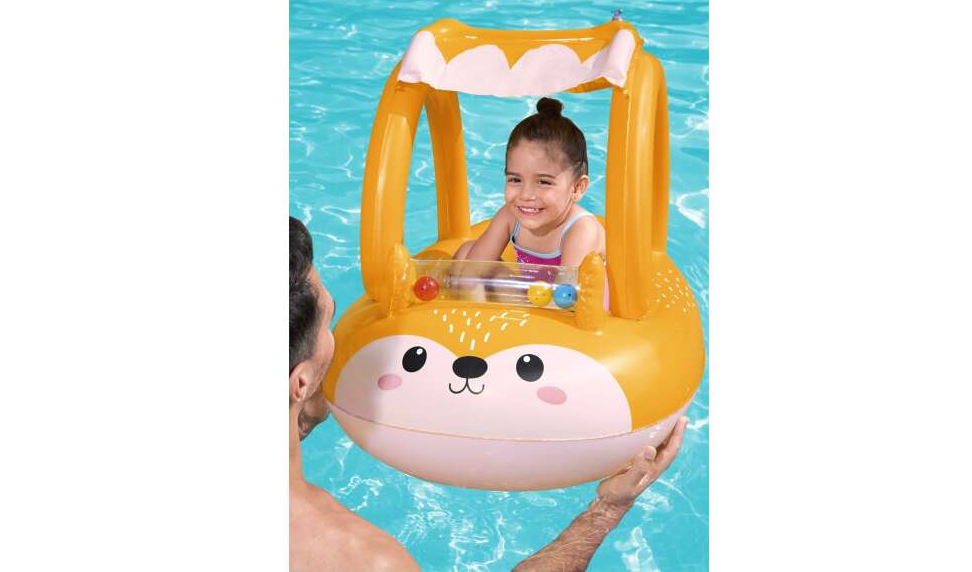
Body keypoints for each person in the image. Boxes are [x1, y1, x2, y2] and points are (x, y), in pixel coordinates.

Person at [290, 216, 686, 571]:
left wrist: (304, 418)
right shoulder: (362, 560)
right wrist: (606, 510)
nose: (335, 337)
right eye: (328, 323)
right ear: (300, 381)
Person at [453, 97, 606, 271]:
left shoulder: (581, 230)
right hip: (532, 288)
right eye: (515, 180)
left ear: (577, 188)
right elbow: (473, 270)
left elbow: (567, 289)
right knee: (465, 253)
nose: (525, 195)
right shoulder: (509, 216)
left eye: (543, 182)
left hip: (569, 289)